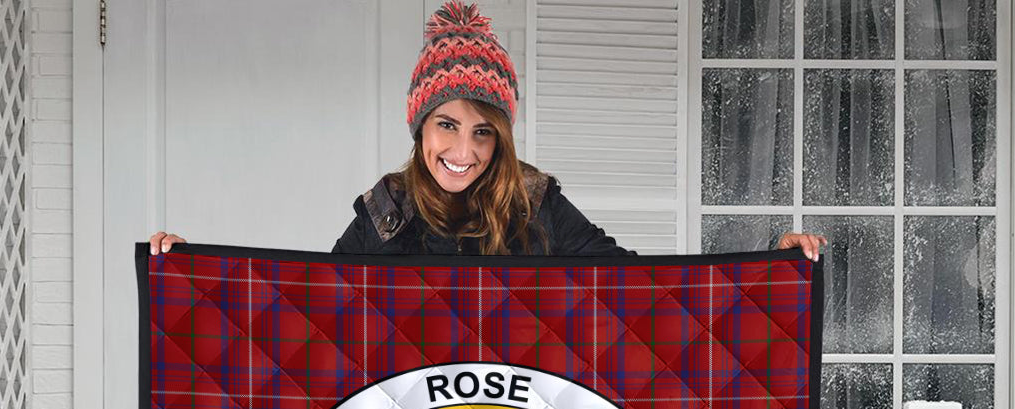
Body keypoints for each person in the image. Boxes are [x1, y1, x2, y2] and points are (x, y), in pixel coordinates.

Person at [150, 2, 825, 262]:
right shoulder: (385, 212)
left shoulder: (536, 204)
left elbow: (643, 291)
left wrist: (774, 265)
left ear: (502, 137)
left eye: (483, 132)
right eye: (447, 126)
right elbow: (307, 314)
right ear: (420, 128)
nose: (463, 152)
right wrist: (189, 271)